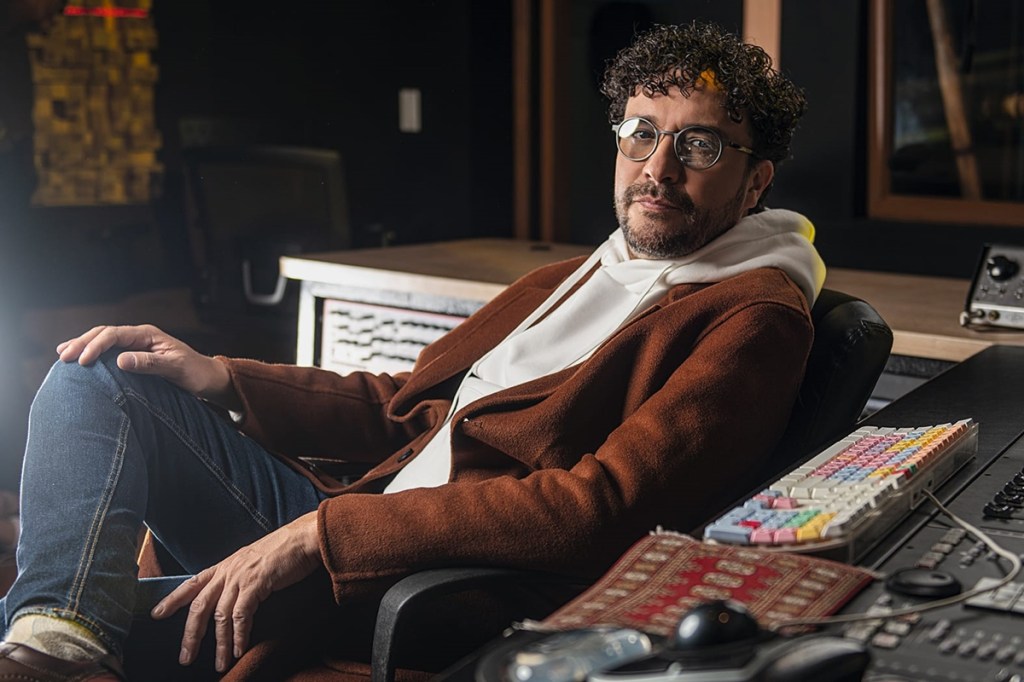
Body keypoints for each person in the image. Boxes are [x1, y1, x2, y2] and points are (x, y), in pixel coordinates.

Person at [0, 20, 822, 682]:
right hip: (357, 521)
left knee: (69, 621)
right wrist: (221, 378)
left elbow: (599, 510)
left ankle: (58, 641)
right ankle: (58, 639)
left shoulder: (751, 316)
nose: (659, 167)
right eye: (642, 133)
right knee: (102, 375)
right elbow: (407, 406)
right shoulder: (578, 277)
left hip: (427, 585)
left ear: (756, 182)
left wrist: (323, 537)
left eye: (700, 145)